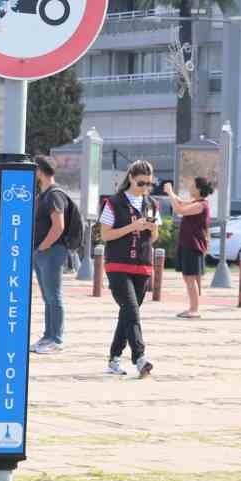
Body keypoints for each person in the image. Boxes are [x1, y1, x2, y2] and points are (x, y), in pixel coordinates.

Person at [100, 159, 161, 377]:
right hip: (118, 264)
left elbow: (154, 238)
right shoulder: (113, 203)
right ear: (131, 179)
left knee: (128, 314)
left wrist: (152, 229)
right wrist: (132, 226)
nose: (145, 188)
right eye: (141, 183)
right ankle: (140, 358)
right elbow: (105, 235)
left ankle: (114, 358)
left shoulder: (151, 204)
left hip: (142, 266)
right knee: (132, 311)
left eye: (149, 184)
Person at [31, 157, 71, 353]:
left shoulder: (54, 195)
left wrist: (42, 247)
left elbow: (59, 226)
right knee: (47, 296)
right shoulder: (43, 194)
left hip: (52, 252)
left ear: (40, 171)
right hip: (43, 251)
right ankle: (48, 335)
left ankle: (56, 338)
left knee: (54, 295)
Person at [166, 176, 212, 319]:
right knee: (187, 277)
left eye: (192, 186)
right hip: (187, 244)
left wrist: (169, 192)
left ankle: (195, 309)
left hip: (193, 246)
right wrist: (172, 194)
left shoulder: (201, 205)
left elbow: (179, 209)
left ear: (199, 189)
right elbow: (180, 202)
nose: (190, 188)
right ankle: (192, 307)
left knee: (191, 278)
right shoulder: (196, 202)